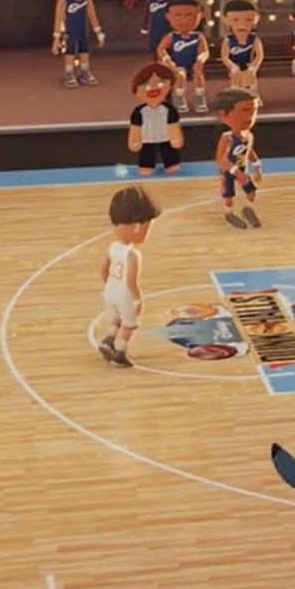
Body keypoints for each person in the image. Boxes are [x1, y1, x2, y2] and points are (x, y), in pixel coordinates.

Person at [98, 185, 162, 368]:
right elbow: (131, 282)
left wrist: (108, 286)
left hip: (110, 292)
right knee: (130, 324)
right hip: (124, 294)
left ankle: (109, 339)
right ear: (137, 227)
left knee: (118, 315)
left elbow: (102, 270)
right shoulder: (132, 254)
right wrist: (138, 299)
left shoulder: (113, 247)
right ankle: (120, 352)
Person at [51, 0, 105, 87]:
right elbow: (59, 20)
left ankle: (85, 71)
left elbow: (92, 17)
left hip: (83, 32)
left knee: (84, 52)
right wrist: (57, 38)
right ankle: (69, 72)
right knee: (70, 53)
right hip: (69, 33)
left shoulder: (87, 0)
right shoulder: (63, 2)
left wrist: (99, 33)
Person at [214, 87, 263, 228]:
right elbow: (220, 159)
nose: (250, 117)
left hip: (242, 168)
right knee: (228, 194)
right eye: (245, 111)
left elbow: (249, 150)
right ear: (224, 115)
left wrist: (257, 166)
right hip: (229, 171)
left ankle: (247, 209)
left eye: (253, 112)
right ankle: (229, 212)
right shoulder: (227, 137)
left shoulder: (249, 135)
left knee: (251, 191)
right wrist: (235, 172)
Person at [155, 0, 209, 113]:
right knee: (180, 75)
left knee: (198, 74)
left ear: (200, 15)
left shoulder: (198, 37)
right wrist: (167, 60)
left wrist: (200, 59)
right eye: (178, 15)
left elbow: (204, 51)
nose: (184, 20)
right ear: (168, 16)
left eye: (189, 15)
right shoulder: (171, 36)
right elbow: (161, 49)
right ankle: (179, 98)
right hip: (177, 65)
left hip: (194, 64)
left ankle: (200, 97)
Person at [127, 62, 184, 176]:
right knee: (147, 152)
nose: (153, 88)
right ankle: (146, 165)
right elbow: (135, 128)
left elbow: (173, 125)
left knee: (169, 151)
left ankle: (171, 163)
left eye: (161, 83)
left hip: (166, 136)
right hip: (147, 137)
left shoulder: (169, 110)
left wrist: (176, 138)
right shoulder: (139, 112)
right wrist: (134, 140)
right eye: (147, 85)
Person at [220, 0, 265, 104]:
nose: (242, 24)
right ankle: (235, 96)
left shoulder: (254, 39)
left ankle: (253, 95)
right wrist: (232, 66)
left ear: (256, 19)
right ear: (226, 20)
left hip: (249, 64)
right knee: (235, 76)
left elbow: (259, 55)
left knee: (251, 76)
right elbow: (224, 56)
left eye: (248, 20)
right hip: (234, 65)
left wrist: (253, 67)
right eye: (236, 20)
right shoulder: (228, 40)